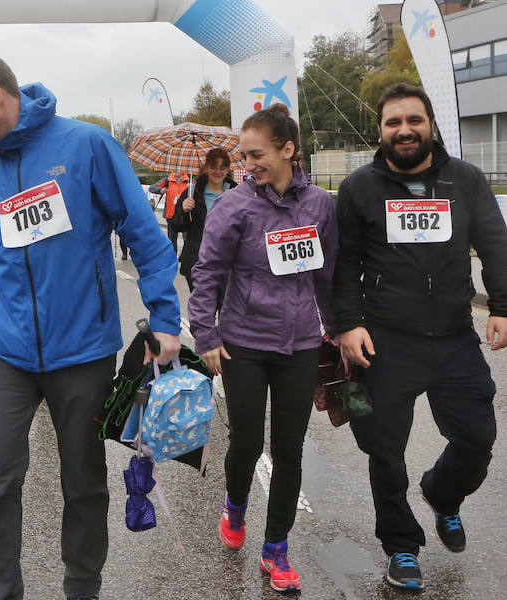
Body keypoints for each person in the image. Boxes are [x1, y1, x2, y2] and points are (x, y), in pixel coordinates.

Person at [0, 52, 181, 600]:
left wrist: (165, 318)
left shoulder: (85, 146)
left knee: (83, 483)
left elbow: (146, 236)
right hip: (6, 351)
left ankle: (81, 589)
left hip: (82, 350)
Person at [333, 83, 507, 591]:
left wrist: (501, 306)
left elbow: (495, 244)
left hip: (455, 335)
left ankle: (441, 493)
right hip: (385, 339)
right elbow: (344, 265)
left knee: (478, 438)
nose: (404, 130)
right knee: (382, 448)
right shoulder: (359, 188)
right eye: (393, 122)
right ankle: (401, 546)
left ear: (430, 124)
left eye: (413, 120)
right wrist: (347, 324)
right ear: (380, 131)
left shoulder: (466, 180)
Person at [188, 104, 337, 594]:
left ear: (288, 149)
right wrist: (205, 335)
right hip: (244, 345)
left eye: (255, 154)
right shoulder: (234, 206)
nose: (246, 163)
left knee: (289, 449)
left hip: (299, 345)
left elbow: (328, 273)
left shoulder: (319, 205)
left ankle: (276, 550)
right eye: (242, 155)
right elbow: (206, 272)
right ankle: (234, 506)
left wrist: (335, 328)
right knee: (248, 442)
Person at [171, 147, 236, 292]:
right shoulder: (192, 193)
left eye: (222, 167)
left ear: (228, 169)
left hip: (228, 264)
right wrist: (183, 210)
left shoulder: (237, 194)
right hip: (197, 263)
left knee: (227, 311)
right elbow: (177, 226)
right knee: (202, 312)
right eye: (213, 167)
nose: (218, 172)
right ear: (206, 168)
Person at [152, 172, 189, 254]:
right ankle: (172, 259)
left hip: (185, 216)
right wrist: (160, 190)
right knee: (172, 241)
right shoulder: (167, 180)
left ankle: (183, 257)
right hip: (171, 215)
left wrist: (192, 188)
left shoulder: (189, 182)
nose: (177, 170)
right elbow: (152, 188)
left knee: (187, 240)